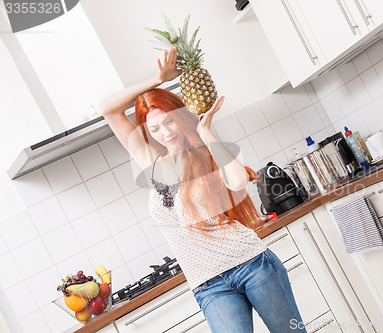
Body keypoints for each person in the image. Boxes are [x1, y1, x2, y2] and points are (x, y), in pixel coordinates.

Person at [99, 46, 307, 333]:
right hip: (209, 285)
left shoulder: (206, 152)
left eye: (169, 120)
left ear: (180, 117)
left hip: (253, 265)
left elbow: (236, 182)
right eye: (155, 128)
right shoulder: (150, 160)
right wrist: (157, 79)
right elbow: (108, 109)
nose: (166, 132)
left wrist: (207, 133)